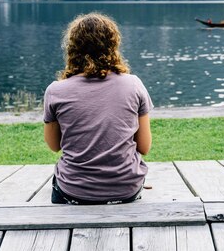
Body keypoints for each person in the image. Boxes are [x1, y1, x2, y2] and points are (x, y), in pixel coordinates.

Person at [43, 12, 153, 205]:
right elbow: (144, 147)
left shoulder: (55, 91)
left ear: (73, 48)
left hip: (74, 190)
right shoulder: (133, 85)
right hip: (126, 188)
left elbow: (54, 146)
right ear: (113, 45)